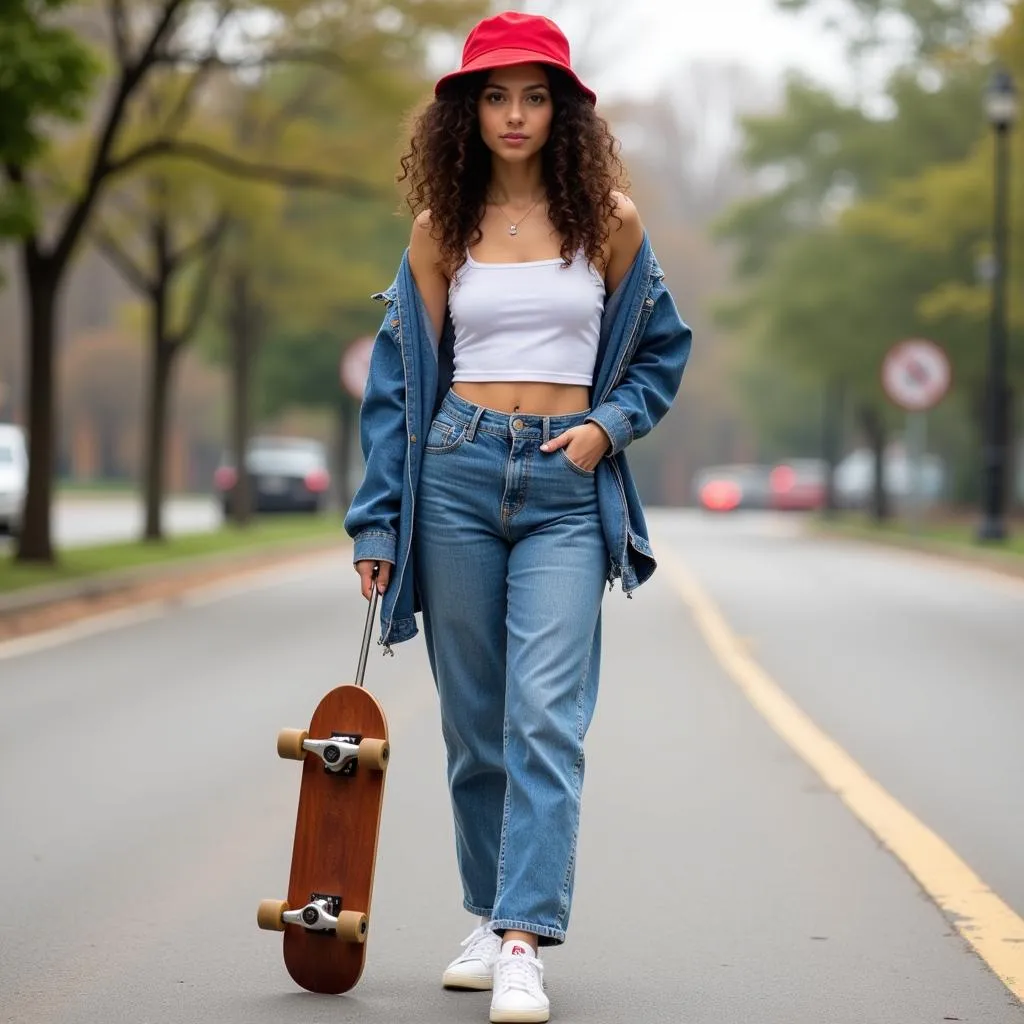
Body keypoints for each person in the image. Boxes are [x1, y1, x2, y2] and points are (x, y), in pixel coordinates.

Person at [344, 11, 692, 1022]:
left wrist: (606, 426)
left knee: (545, 714)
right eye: (495, 95)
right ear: (465, 109)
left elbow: (662, 352)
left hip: (564, 489)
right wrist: (377, 524)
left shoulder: (608, 222)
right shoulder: (437, 231)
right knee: (476, 723)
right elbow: (398, 384)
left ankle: (521, 941)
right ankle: (491, 913)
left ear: (563, 111)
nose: (514, 114)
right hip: (452, 473)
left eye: (535, 96)